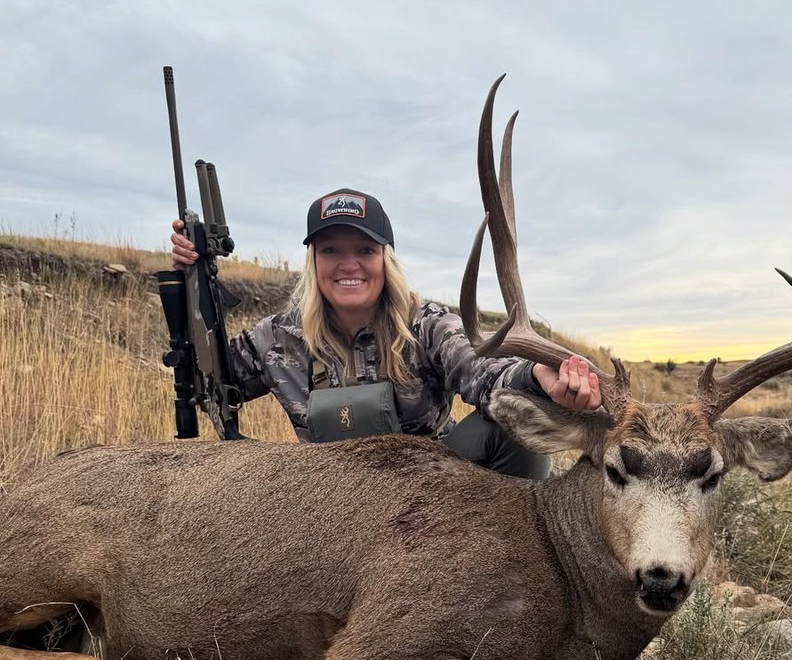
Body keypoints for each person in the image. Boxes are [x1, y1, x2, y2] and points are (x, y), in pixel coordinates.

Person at [170, 188, 600, 478]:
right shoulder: (278, 336)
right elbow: (211, 379)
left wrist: (534, 377)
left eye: (364, 250)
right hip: (325, 500)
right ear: (313, 260)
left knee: (513, 426)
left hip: (429, 490)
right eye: (331, 250)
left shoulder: (426, 324)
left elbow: (483, 370)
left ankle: (505, 560)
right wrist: (189, 282)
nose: (348, 264)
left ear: (385, 258)